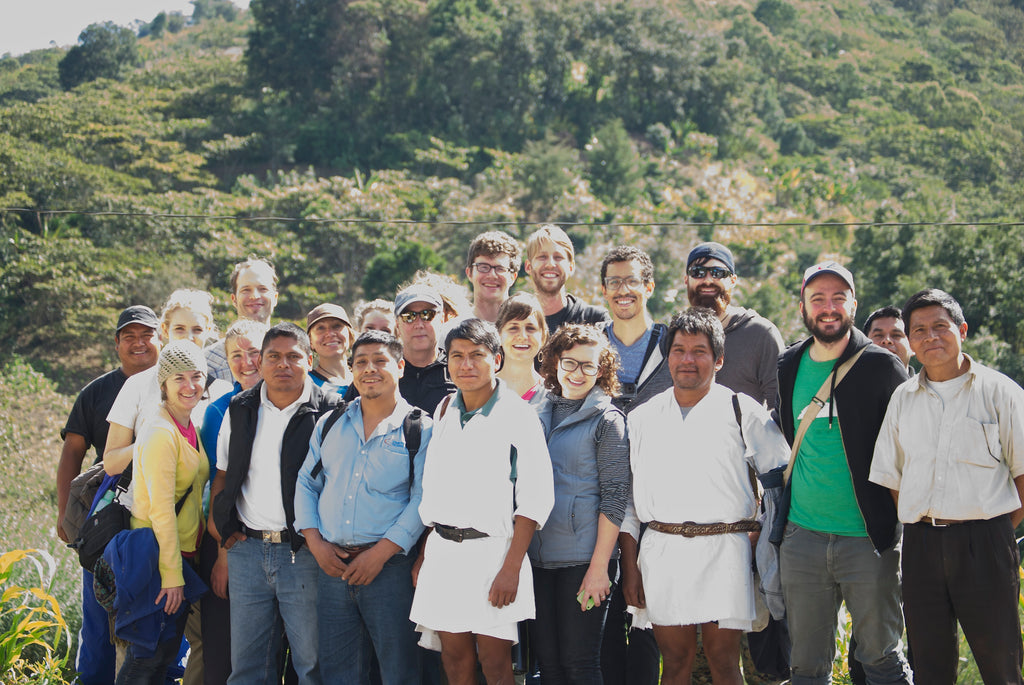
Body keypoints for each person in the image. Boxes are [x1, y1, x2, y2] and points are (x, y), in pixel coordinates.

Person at [621, 308, 789, 685]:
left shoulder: (741, 410)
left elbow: (781, 479)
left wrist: (760, 535)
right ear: (668, 356)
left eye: (699, 351)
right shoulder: (643, 417)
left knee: (724, 661)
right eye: (679, 350)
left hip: (726, 550)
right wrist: (630, 567)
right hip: (663, 549)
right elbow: (629, 501)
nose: (688, 360)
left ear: (719, 359)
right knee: (675, 662)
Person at [870, 289, 1024, 684]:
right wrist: (924, 521)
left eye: (941, 326)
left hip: (986, 541)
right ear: (912, 340)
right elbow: (893, 477)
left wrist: (996, 531)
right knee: (930, 665)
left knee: (1000, 665)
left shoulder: (1000, 392)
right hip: (921, 545)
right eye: (919, 330)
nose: (930, 336)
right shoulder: (903, 398)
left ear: (962, 330)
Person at [776, 262, 911, 685]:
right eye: (818, 298)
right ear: (803, 306)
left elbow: (908, 448)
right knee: (806, 667)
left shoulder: (883, 367)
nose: (828, 307)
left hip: (869, 539)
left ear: (854, 303)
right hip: (802, 539)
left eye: (838, 297)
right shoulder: (788, 365)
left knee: (882, 659)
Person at [410, 318, 554, 685]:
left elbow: (534, 500)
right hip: (444, 553)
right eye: (457, 356)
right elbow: (437, 490)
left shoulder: (519, 415)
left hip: (493, 555)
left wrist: (511, 568)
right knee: (454, 659)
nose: (466, 364)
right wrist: (427, 553)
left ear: (497, 359)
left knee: (495, 663)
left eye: (477, 355)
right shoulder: (444, 409)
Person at [295, 330, 432, 684]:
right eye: (361, 363)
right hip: (332, 568)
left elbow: (423, 499)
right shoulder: (330, 423)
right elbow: (307, 483)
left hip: (390, 571)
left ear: (400, 366)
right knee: (339, 675)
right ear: (351, 369)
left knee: (398, 672)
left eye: (380, 361)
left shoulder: (419, 429)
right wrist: (314, 541)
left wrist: (381, 554)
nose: (369, 369)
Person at [210, 322, 343, 685]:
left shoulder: (332, 410)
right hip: (247, 551)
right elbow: (221, 476)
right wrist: (221, 529)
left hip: (304, 554)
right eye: (274, 357)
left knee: (312, 664)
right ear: (262, 362)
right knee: (249, 667)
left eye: (293, 356)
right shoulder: (240, 409)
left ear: (309, 359)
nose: (283, 364)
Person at [56, 305, 161, 685]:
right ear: (116, 343)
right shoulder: (97, 392)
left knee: (159, 614)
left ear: (160, 338)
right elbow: (72, 452)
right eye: (129, 336)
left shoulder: (176, 385)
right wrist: (64, 514)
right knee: (100, 616)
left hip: (159, 514)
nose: (139, 343)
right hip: (106, 516)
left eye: (147, 335)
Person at [528, 324, 629, 684]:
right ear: (555, 362)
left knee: (580, 664)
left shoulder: (608, 420)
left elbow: (616, 496)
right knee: (548, 668)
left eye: (588, 366)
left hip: (585, 562)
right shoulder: (534, 411)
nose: (577, 373)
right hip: (538, 558)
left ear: (601, 369)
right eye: (570, 363)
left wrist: (600, 567)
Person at [116, 340, 210, 683]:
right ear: (164, 385)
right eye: (179, 379)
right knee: (148, 656)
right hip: (159, 556)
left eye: (196, 376)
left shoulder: (186, 425)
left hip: (181, 553)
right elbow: (160, 511)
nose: (190, 386)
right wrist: (172, 576)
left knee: (164, 655)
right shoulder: (160, 431)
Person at [198, 319, 267, 685]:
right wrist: (223, 554)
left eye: (253, 352)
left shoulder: (292, 399)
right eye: (236, 355)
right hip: (229, 541)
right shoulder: (217, 410)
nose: (246, 362)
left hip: (282, 544)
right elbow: (218, 486)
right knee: (225, 650)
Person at [685, 241, 784, 409]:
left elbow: (780, 405)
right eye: (698, 272)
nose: (708, 280)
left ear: (733, 280)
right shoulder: (678, 334)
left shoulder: (760, 334)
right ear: (686, 280)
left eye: (718, 273)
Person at [598, 245, 672, 413]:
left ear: (649, 288)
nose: (623, 290)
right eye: (614, 282)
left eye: (632, 281)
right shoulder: (591, 344)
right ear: (604, 290)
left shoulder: (671, 345)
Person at [523, 225, 609, 334]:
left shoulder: (595, 319)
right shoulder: (515, 321)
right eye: (542, 257)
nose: (550, 264)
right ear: (528, 266)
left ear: (571, 267)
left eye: (558, 257)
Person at [205, 258, 279, 382]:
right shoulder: (208, 362)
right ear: (234, 299)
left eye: (263, 289)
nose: (255, 296)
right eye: (246, 290)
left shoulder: (291, 353)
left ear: (275, 298)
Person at [394, 284, 457, 413]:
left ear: (442, 320)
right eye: (409, 316)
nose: (419, 324)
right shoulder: (384, 371)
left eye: (427, 314)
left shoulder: (459, 370)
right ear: (397, 325)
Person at [495, 293, 548, 400]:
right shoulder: (480, 391)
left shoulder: (552, 396)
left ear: (543, 337)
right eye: (513, 328)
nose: (522, 336)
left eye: (530, 328)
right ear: (498, 334)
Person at [465, 230, 522, 322]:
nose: (492, 275)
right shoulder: (451, 331)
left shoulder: (525, 330)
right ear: (469, 273)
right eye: (483, 267)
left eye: (500, 268)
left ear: (513, 277)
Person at [306, 303, 354, 395]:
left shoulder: (366, 379)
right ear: (310, 341)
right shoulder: (305, 385)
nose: (330, 333)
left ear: (350, 335)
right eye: (320, 328)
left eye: (337, 326)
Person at [863, 306, 913, 371]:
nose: (887, 340)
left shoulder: (925, 381)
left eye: (896, 335)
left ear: (912, 346)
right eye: (878, 335)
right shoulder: (848, 380)